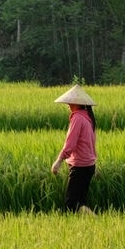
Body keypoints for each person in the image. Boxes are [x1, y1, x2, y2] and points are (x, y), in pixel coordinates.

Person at [50, 84, 97, 213]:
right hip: (89, 166)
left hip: (80, 166)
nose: (68, 105)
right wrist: (94, 162)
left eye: (70, 102)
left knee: (71, 204)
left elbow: (70, 144)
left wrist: (58, 161)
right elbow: (92, 144)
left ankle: (95, 219)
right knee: (80, 202)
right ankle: (91, 221)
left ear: (77, 103)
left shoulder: (77, 118)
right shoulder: (88, 118)